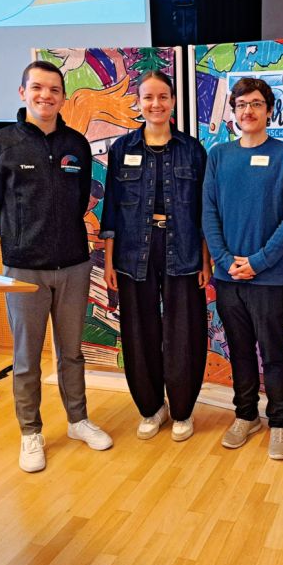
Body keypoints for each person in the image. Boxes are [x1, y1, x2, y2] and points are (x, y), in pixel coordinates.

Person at [0, 60, 113, 473]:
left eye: (54, 90)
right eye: (37, 88)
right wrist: (20, 240)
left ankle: (77, 420)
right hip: (24, 270)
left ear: (63, 97)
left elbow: (80, 201)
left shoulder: (76, 144)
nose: (46, 96)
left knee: (72, 352)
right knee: (26, 358)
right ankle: (31, 432)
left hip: (73, 265)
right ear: (23, 93)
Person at [100, 70, 210, 442]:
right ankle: (151, 408)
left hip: (184, 250)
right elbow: (111, 210)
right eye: (148, 97)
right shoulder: (122, 149)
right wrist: (110, 261)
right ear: (139, 102)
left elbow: (203, 211)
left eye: (163, 97)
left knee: (184, 333)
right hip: (133, 253)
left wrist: (205, 261)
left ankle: (181, 410)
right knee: (139, 332)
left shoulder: (192, 149)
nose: (156, 104)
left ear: (173, 101)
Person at [202, 77, 283, 460]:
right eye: (241, 104)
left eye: (257, 103)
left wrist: (258, 261)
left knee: (273, 352)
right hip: (228, 277)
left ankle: (279, 423)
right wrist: (226, 261)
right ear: (233, 111)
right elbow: (208, 212)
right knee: (240, 350)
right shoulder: (219, 156)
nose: (249, 110)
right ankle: (245, 415)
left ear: (269, 110)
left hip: (270, 277)